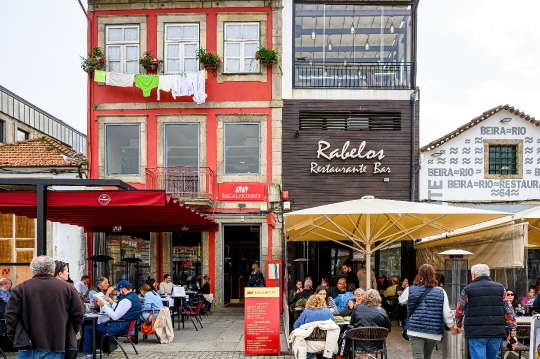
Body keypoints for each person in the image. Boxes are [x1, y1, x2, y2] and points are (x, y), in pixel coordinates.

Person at [5, 255, 84, 359]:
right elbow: (78, 315)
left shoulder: (20, 289)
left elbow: (10, 317)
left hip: (27, 345)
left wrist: (17, 338)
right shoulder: (67, 288)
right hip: (56, 344)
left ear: (32, 270)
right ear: (52, 270)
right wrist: (68, 332)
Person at [454, 263, 517, 359]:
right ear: (488, 274)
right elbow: (509, 311)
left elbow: (460, 310)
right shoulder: (500, 288)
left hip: (476, 332)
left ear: (474, 275)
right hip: (496, 333)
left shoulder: (467, 289)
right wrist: (512, 334)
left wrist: (458, 326)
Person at [399, 264, 454, 359]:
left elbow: (401, 300)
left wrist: (407, 288)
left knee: (418, 356)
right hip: (433, 331)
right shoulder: (441, 291)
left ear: (419, 275)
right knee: (427, 356)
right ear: (433, 275)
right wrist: (452, 327)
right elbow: (446, 313)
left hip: (414, 329)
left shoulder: (411, 289)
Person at [81, 280, 142, 358]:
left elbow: (115, 316)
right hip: (124, 325)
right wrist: (112, 302)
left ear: (123, 289)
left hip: (118, 327)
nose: (118, 292)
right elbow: (121, 309)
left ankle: (87, 354)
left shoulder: (126, 300)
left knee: (88, 328)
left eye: (119, 290)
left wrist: (103, 306)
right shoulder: (133, 296)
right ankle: (97, 349)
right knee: (96, 326)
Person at [349, 289, 391, 358]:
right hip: (376, 344)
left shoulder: (358, 308)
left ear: (365, 297)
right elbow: (388, 329)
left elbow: (352, 324)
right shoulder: (382, 311)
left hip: (359, 342)